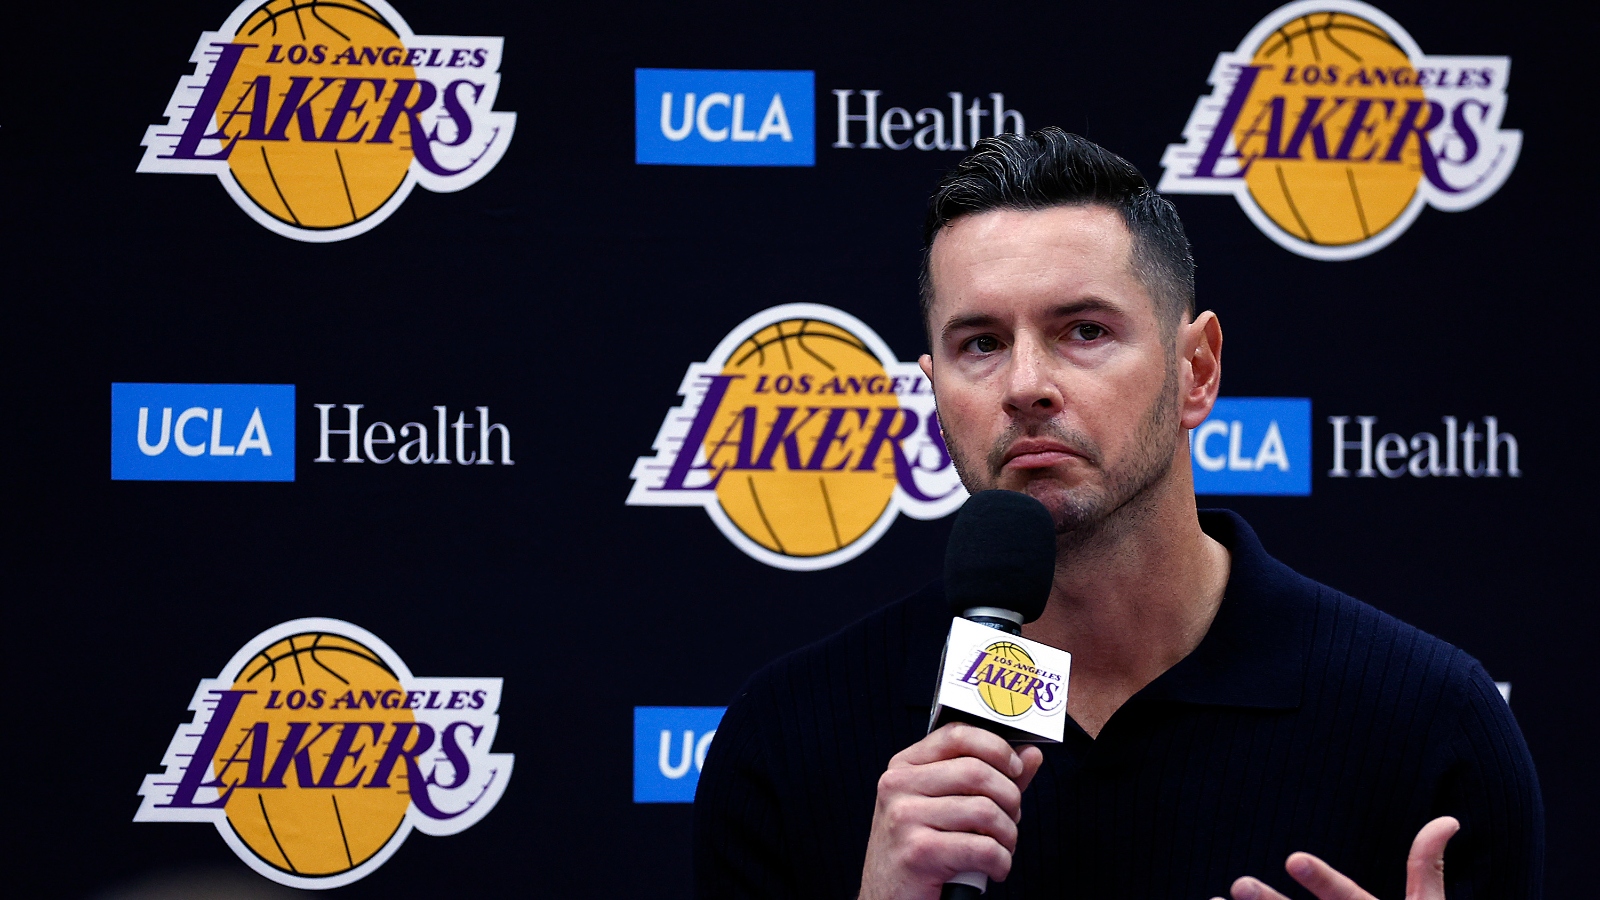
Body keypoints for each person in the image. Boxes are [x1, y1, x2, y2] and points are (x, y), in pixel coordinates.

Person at [692, 129, 1542, 900]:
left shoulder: (1433, 723)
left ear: (1197, 369)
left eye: (1084, 331)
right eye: (980, 344)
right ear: (934, 392)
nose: (1025, 384)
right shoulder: (788, 739)